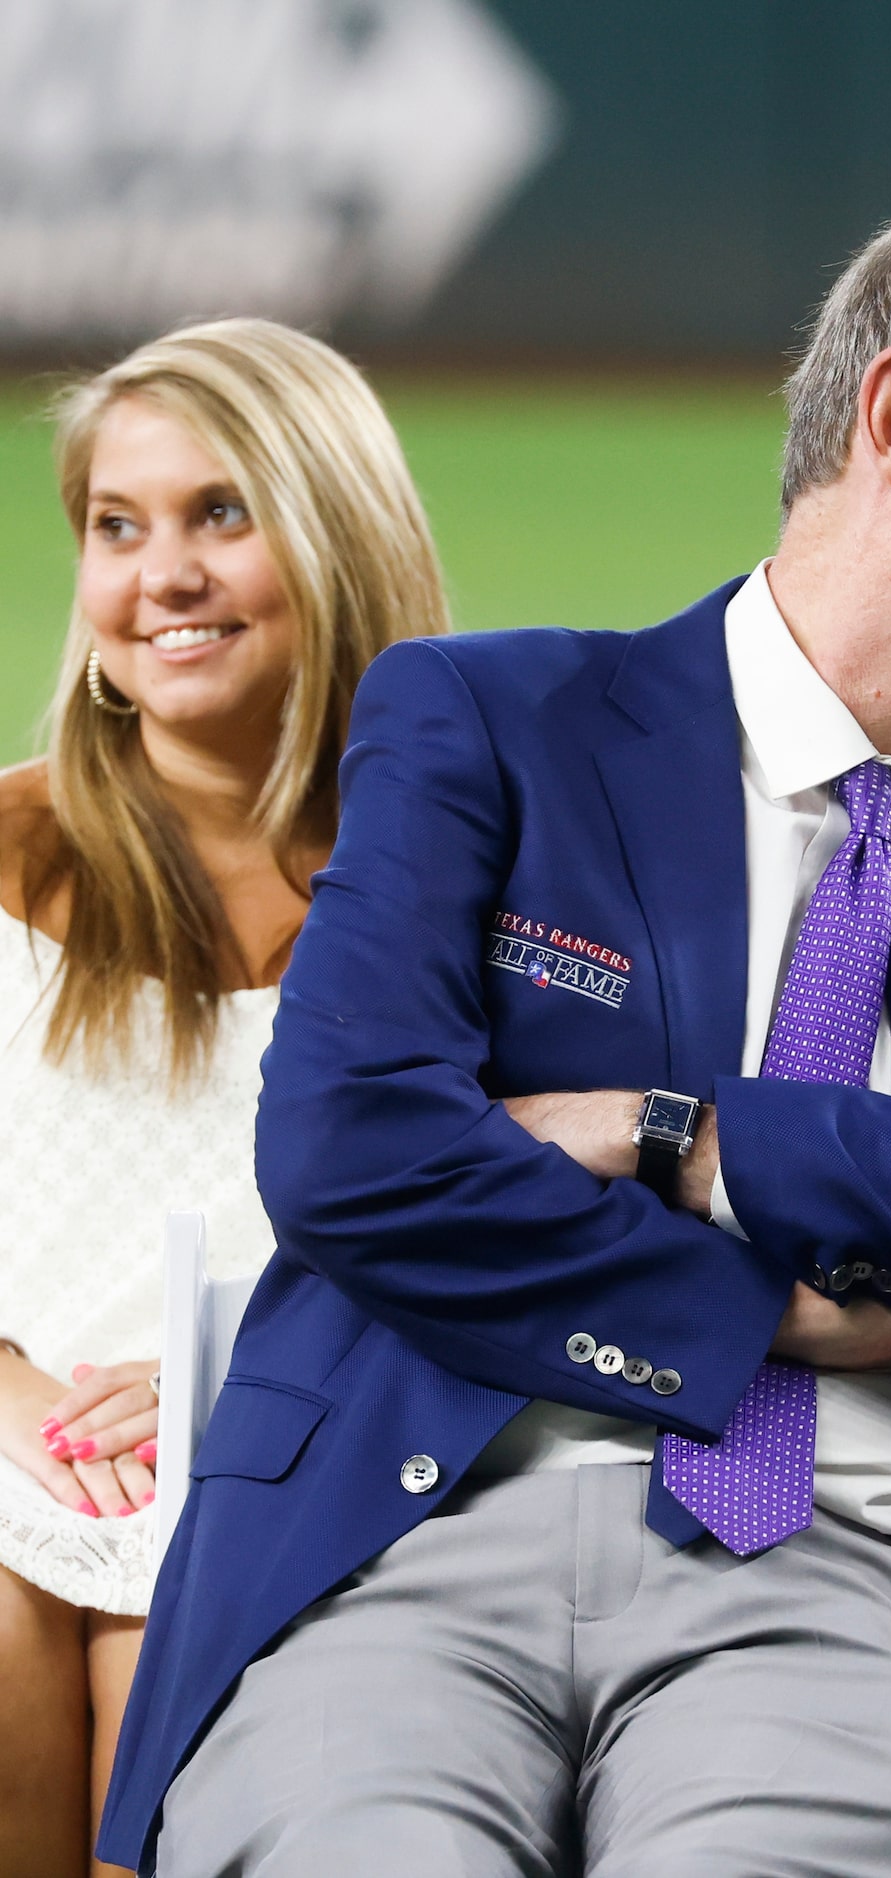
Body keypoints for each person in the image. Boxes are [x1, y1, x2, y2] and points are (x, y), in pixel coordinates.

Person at [97, 182, 891, 1878]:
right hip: (404, 1534)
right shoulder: (485, 718)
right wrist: (767, 1302)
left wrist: (677, 1135)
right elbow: (352, 1155)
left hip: (846, 1572)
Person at [0, 318, 447, 1877]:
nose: (159, 575)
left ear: (340, 535)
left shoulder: (461, 870)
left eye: (220, 515)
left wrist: (224, 1380)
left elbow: (507, 1215)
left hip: (301, 1429)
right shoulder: (4, 847)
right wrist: (25, 1405)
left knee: (171, 1622)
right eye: (116, 527)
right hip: (18, 1423)